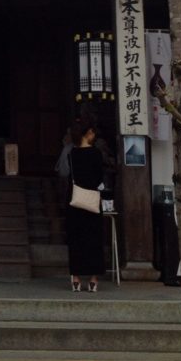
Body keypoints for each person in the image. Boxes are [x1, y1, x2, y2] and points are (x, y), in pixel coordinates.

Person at [66, 118, 105, 292]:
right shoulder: (96, 154)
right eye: (92, 132)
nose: (94, 135)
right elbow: (99, 178)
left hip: (75, 200)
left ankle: (75, 278)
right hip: (92, 201)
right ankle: (93, 279)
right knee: (94, 240)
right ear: (87, 133)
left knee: (76, 240)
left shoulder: (72, 154)